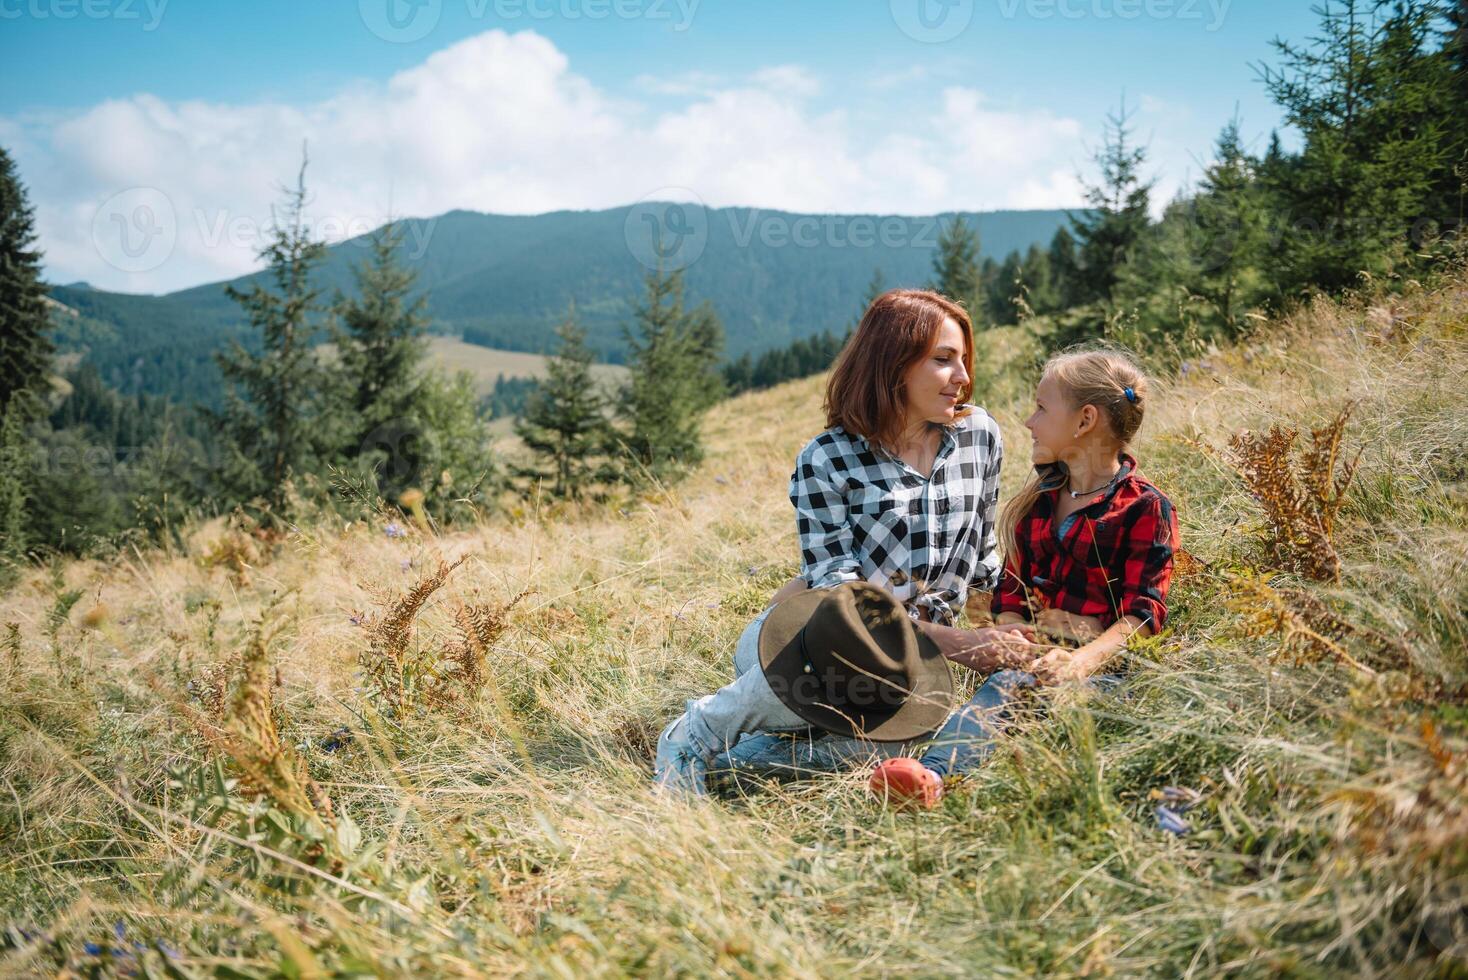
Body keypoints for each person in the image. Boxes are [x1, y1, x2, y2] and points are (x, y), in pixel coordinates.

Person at [655, 289, 1034, 793]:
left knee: (893, 747)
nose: (963, 377)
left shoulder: (980, 435)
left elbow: (981, 551)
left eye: (964, 359)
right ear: (895, 364)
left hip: (906, 663)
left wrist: (1012, 631)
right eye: (944, 360)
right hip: (821, 641)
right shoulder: (829, 459)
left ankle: (734, 767)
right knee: (826, 682)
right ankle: (693, 733)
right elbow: (841, 594)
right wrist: (962, 645)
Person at [869, 347, 1180, 808]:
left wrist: (1080, 663)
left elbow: (1144, 612)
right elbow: (1013, 586)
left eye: (1041, 408)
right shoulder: (1038, 501)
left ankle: (945, 778)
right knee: (1007, 690)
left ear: (1084, 420)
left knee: (1033, 703)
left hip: (1104, 671)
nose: (1029, 422)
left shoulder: (1144, 508)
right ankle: (930, 770)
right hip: (1034, 661)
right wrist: (1012, 630)